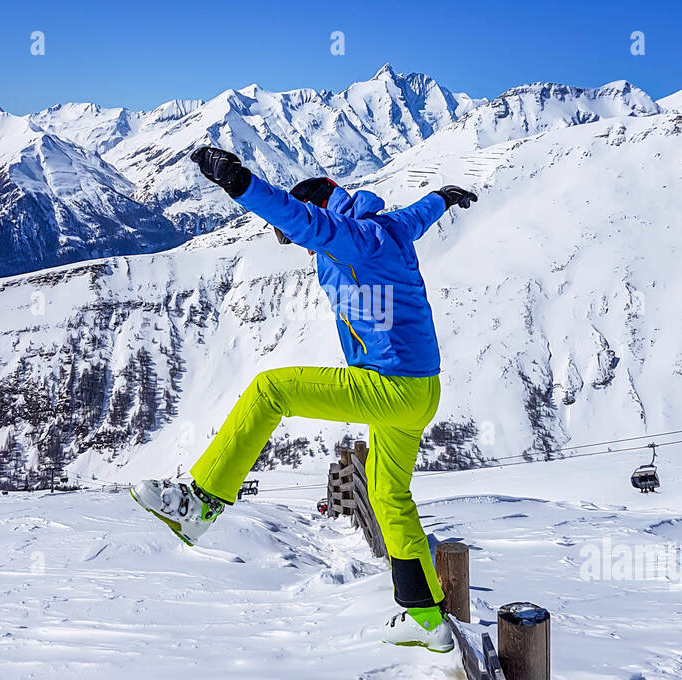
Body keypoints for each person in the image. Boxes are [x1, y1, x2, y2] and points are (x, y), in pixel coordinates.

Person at [131, 147, 477, 653]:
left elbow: (301, 219)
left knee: (271, 390)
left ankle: (199, 503)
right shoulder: (389, 226)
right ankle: (427, 620)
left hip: (391, 387)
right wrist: (445, 197)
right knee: (388, 496)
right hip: (421, 389)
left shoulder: (352, 239)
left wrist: (239, 182)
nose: (298, 245)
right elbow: (420, 213)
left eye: (296, 240)